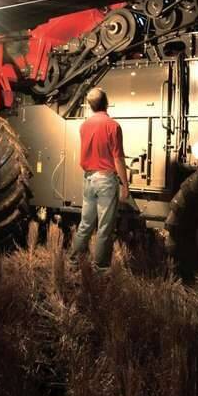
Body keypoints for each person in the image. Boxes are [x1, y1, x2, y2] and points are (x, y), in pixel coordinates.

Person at [70, 87, 130, 270]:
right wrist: (125, 185)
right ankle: (100, 268)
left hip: (88, 179)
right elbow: (118, 158)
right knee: (104, 227)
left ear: (90, 105)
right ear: (107, 102)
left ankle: (74, 262)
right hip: (105, 180)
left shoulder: (84, 126)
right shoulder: (113, 126)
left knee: (86, 223)